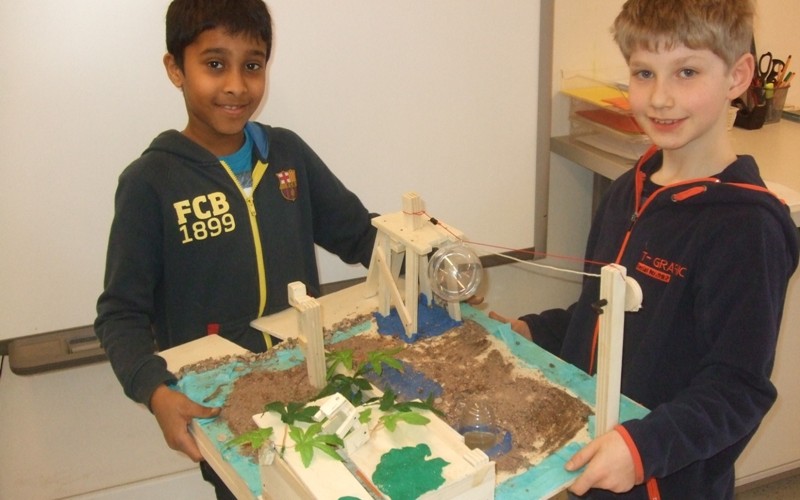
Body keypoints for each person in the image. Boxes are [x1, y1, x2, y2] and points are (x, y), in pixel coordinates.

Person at [491, 0, 799, 497]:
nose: (660, 97)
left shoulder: (747, 228)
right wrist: (532, 332)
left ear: (738, 77)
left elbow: (737, 389)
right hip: (591, 456)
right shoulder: (626, 192)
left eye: (687, 72)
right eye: (643, 73)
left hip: (662, 480)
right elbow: (597, 315)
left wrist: (642, 450)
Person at [94, 0, 376, 497]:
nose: (236, 86)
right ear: (175, 69)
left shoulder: (287, 153)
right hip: (222, 406)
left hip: (312, 383)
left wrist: (431, 264)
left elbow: (359, 234)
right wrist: (155, 392)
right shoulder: (150, 182)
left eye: (252, 65)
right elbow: (120, 314)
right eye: (214, 64)